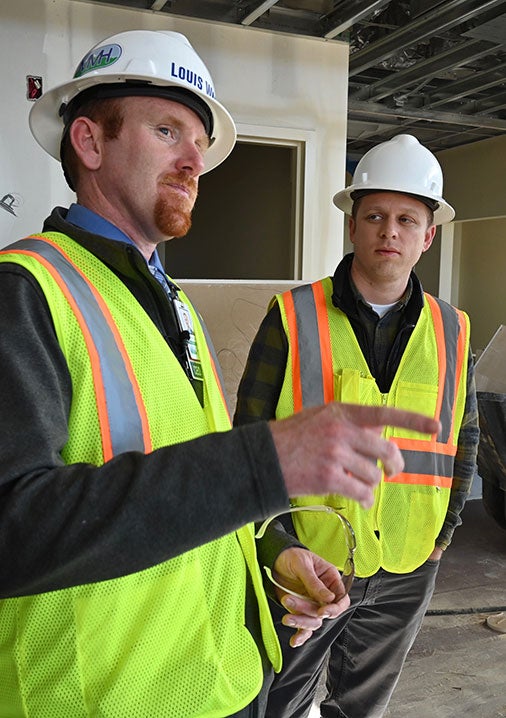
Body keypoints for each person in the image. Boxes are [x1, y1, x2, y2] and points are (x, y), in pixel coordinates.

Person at [0, 31, 439, 717]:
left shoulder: (172, 307)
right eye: (168, 130)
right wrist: (265, 464)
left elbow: (182, 487)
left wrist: (269, 562)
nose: (193, 161)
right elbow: (14, 529)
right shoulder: (25, 291)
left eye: (200, 143)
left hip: (219, 679)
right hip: (103, 699)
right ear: (89, 142)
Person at [235, 133, 479, 718]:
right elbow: (247, 443)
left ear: (429, 235)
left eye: (405, 218)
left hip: (407, 565)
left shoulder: (454, 330)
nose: (388, 231)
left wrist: (441, 539)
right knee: (279, 703)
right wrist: (275, 547)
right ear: (353, 225)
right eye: (374, 215)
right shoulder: (292, 316)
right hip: (308, 564)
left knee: (363, 707)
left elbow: (462, 439)